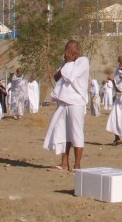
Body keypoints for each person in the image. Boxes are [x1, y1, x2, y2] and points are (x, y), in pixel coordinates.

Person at [43, 40, 90, 172]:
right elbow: (56, 77)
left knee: (76, 132)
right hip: (63, 100)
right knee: (63, 131)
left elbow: (71, 76)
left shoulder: (83, 61)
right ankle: (64, 163)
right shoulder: (64, 62)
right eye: (66, 49)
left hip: (76, 101)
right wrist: (66, 62)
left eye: (69, 49)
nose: (67, 52)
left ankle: (77, 164)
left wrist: (69, 62)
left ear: (76, 50)